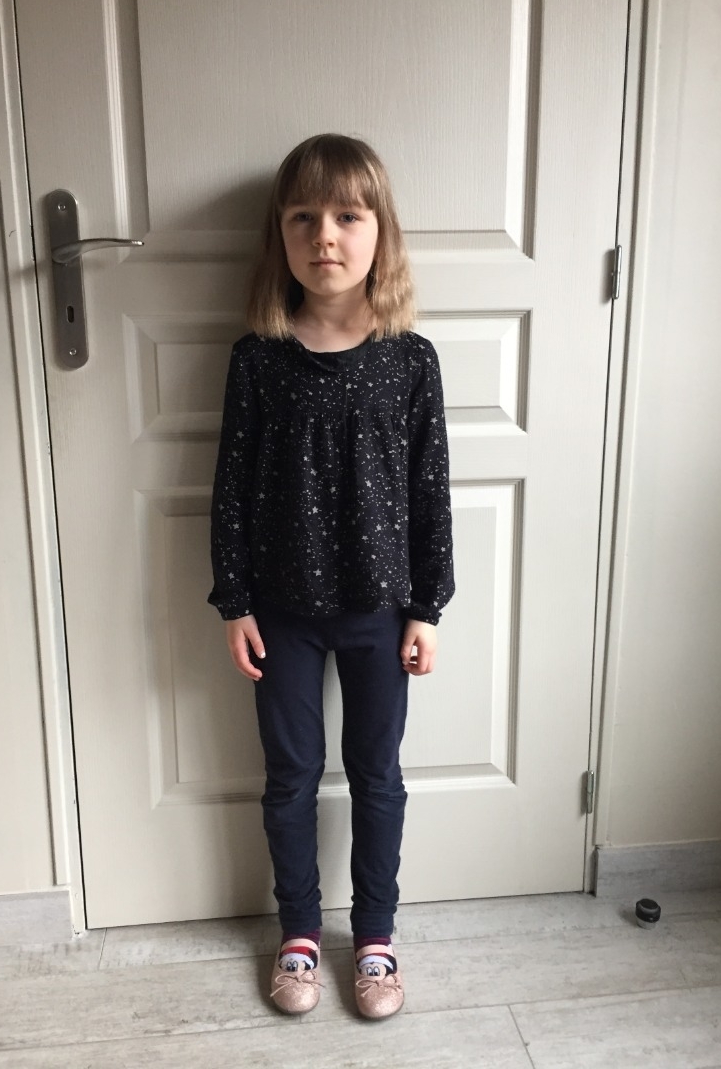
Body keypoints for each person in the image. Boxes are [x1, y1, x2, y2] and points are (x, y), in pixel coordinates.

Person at [207, 134, 454, 1019]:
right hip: (281, 610)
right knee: (291, 774)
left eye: (348, 216)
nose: (326, 236)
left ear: (380, 232)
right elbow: (231, 486)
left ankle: (376, 939)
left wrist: (427, 607)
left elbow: (430, 491)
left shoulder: (410, 359)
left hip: (380, 612)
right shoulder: (258, 360)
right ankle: (301, 935)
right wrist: (234, 601)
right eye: (304, 217)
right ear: (279, 235)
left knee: (377, 773)